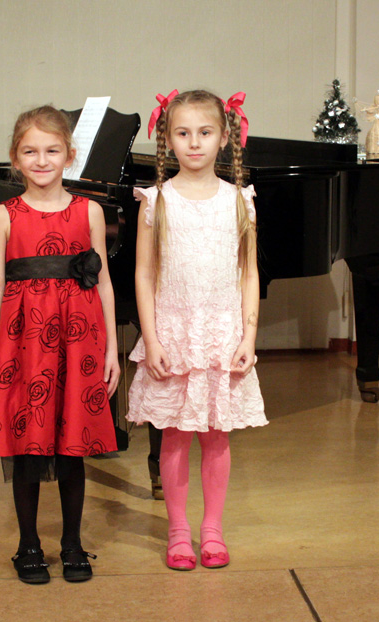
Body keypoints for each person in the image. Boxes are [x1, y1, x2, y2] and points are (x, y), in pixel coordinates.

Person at [0, 106, 120, 584]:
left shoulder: (89, 211)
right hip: (23, 343)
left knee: (72, 446)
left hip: (78, 339)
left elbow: (103, 282)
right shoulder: (3, 216)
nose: (42, 160)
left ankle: (72, 543)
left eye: (52, 150)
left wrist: (111, 349)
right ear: (15, 158)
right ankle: (28, 543)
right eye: (30, 151)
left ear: (69, 155)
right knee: (27, 444)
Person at [126, 90, 267, 571]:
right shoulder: (156, 200)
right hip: (175, 335)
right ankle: (178, 532)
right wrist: (152, 339)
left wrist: (248, 336)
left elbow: (249, 273)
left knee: (217, 437)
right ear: (168, 138)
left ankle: (212, 530)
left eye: (204, 133)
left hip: (222, 336)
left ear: (224, 137)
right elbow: (144, 274)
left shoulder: (240, 200)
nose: (194, 143)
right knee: (175, 437)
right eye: (182, 133)